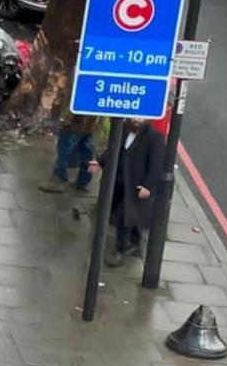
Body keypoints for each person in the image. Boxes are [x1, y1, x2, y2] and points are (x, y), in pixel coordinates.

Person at [91, 118, 165, 267]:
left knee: (124, 216)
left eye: (140, 117)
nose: (136, 120)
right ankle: (136, 243)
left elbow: (156, 166)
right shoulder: (124, 128)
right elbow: (113, 149)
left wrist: (148, 186)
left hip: (135, 186)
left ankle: (121, 249)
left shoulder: (154, 137)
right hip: (118, 180)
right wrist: (100, 162)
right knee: (120, 212)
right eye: (134, 117)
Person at [39, 108, 97, 194]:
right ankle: (84, 181)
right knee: (87, 151)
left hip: (75, 121)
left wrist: (66, 118)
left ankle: (58, 178)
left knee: (64, 149)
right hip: (90, 120)